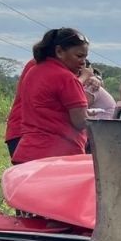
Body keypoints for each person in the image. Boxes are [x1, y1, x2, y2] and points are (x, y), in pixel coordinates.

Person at [12, 28, 93, 164]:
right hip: (57, 158)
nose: (83, 62)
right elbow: (80, 122)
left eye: (85, 57)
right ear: (59, 51)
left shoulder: (34, 71)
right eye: (79, 56)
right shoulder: (67, 78)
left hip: (27, 154)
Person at [3, 58, 36, 158]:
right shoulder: (42, 65)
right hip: (26, 133)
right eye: (78, 56)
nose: (81, 61)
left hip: (23, 131)